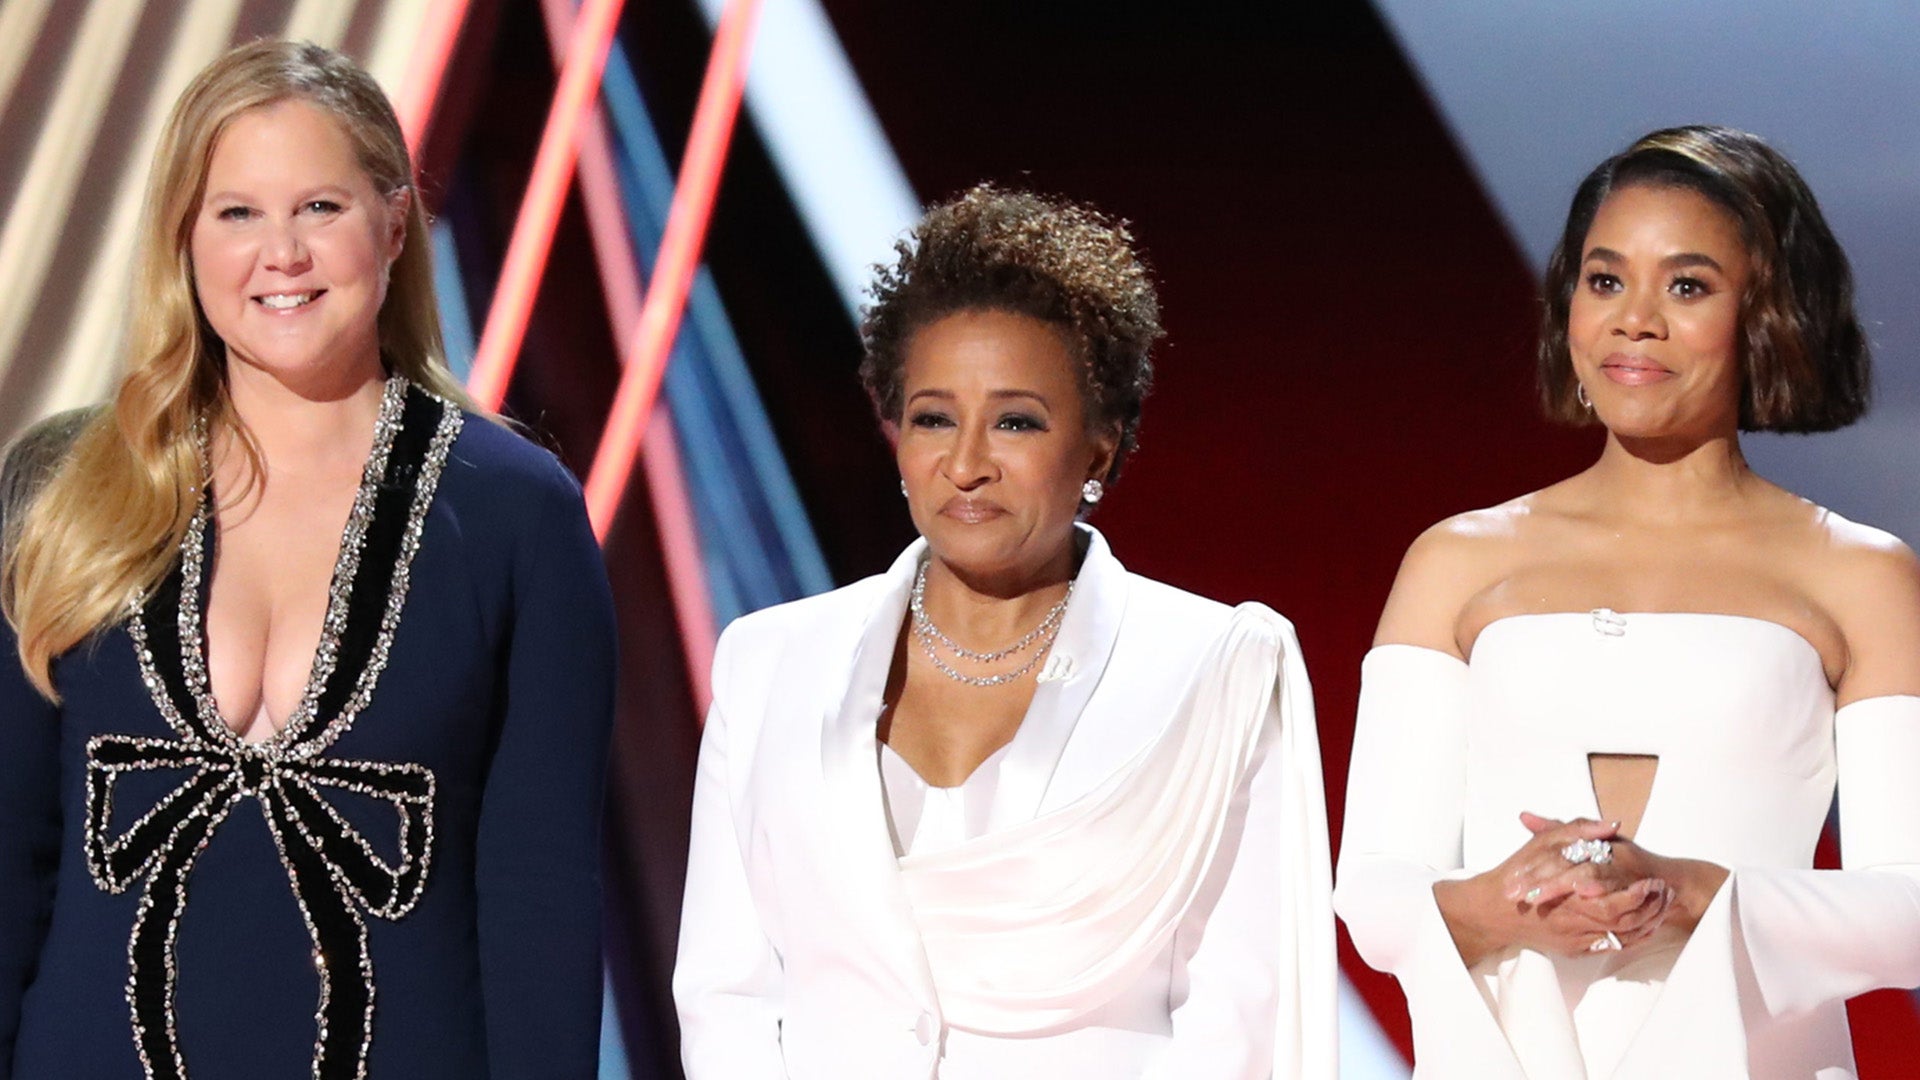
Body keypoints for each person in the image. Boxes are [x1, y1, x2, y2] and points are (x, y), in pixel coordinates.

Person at [0, 41, 615, 1080]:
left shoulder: (519, 518)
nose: (279, 253)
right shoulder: (67, 490)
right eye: (236, 213)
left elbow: (541, 906)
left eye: (319, 208)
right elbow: (9, 863)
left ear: (391, 222)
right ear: (183, 240)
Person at [673, 184, 1335, 1079]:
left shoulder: (1218, 669)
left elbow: (1247, 1024)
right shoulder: (770, 661)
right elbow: (726, 996)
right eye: (933, 418)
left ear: (1098, 449)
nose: (968, 465)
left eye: (1017, 421)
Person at [1334, 125, 1920, 1078]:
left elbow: (1909, 913)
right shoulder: (1454, 561)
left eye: (1687, 287)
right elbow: (1373, 892)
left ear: (1769, 316)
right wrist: (1502, 900)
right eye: (1605, 280)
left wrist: (1689, 895)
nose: (1633, 319)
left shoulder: (1861, 573)